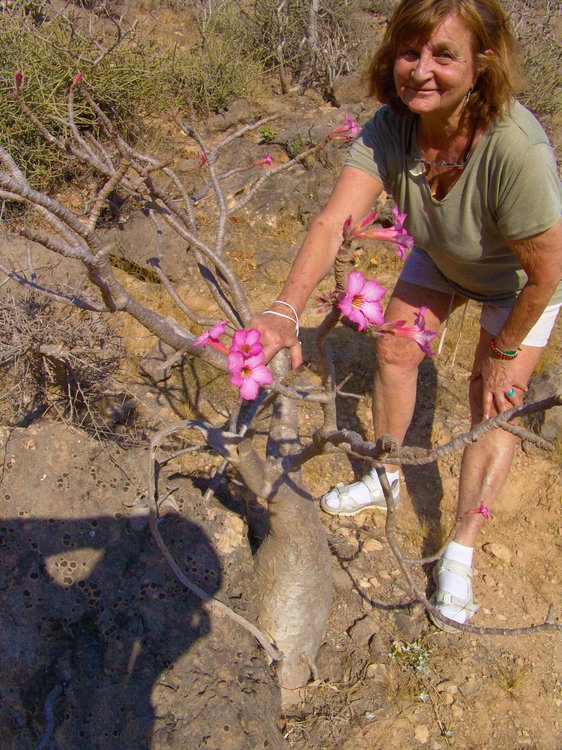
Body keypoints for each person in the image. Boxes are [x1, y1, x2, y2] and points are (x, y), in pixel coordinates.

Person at [251, 0, 562, 630]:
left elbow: (550, 270)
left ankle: (461, 550)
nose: (420, 70)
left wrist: (503, 354)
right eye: (409, 51)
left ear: (483, 65)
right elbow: (333, 221)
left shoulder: (514, 148)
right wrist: (284, 311)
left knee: (492, 403)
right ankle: (389, 474)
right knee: (395, 350)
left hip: (521, 284)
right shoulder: (392, 127)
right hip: (444, 257)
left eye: (444, 54)